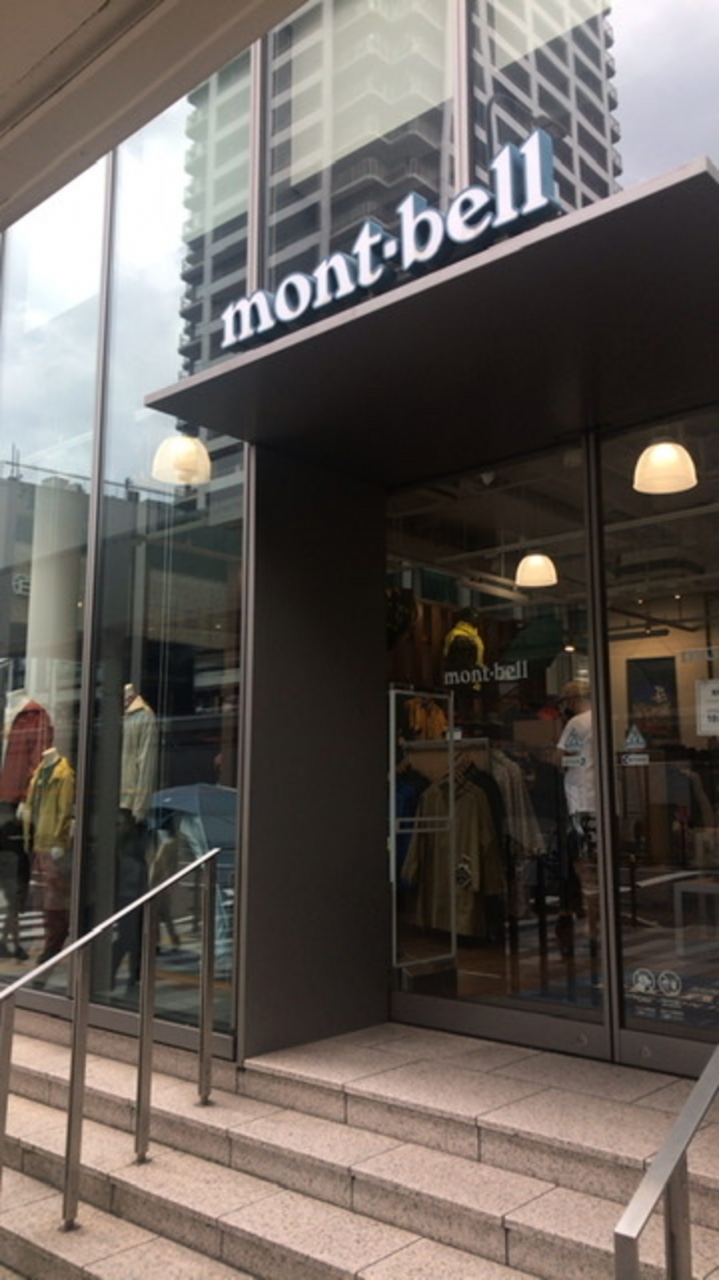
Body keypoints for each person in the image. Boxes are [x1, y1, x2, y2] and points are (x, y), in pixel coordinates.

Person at [556, 679, 599, 956]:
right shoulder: (602, 718)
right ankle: (598, 925)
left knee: (584, 868)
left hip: (580, 803)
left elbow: (561, 758)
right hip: (600, 802)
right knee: (598, 866)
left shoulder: (576, 723)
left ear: (571, 701)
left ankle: (592, 929)